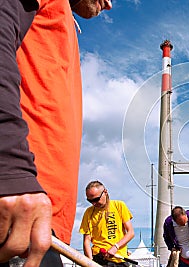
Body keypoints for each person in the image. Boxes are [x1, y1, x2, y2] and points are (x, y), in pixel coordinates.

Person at [0, 0, 111, 265]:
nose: (107, 4)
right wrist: (11, 171)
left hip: (39, 223)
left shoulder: (57, 12)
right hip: (17, 207)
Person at [79, 180, 134, 266]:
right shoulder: (88, 212)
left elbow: (130, 233)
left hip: (119, 259)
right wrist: (90, 263)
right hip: (99, 259)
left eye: (96, 199)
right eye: (90, 201)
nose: (94, 203)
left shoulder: (119, 205)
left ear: (105, 192)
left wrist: (115, 247)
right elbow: (86, 240)